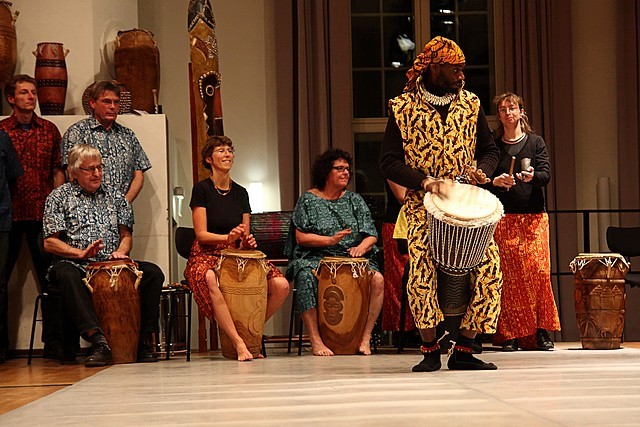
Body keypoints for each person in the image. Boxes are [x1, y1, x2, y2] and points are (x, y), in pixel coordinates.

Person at [380, 36, 502, 371]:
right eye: (455, 68)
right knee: (421, 272)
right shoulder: (402, 109)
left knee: (491, 269)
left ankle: (465, 348)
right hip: (423, 205)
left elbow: (491, 151)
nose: (462, 74)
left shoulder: (471, 105)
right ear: (435, 68)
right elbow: (388, 162)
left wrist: (483, 170)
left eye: (463, 68)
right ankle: (430, 349)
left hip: (465, 200)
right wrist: (425, 181)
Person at [43, 144, 163, 367]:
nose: (97, 173)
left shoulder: (115, 196)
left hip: (111, 264)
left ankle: (144, 341)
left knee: (153, 273)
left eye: (100, 167)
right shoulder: (58, 197)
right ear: (74, 172)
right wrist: (80, 253)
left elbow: (126, 234)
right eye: (89, 169)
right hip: (75, 264)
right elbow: (50, 242)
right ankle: (99, 341)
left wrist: (122, 251)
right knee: (66, 274)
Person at [184, 136, 289, 362]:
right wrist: (226, 238)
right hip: (206, 253)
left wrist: (245, 242)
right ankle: (239, 342)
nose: (228, 154)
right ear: (208, 159)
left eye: (230, 150)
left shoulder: (241, 193)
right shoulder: (201, 190)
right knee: (210, 278)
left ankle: (250, 334)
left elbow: (243, 234)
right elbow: (201, 234)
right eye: (221, 150)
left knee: (280, 285)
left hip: (235, 253)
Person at [287, 148, 384, 356]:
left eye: (347, 169)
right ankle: (315, 339)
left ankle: (364, 338)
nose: (345, 173)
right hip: (317, 257)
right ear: (326, 171)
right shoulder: (308, 200)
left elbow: (372, 235)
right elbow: (301, 237)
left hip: (352, 257)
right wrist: (329, 240)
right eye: (339, 168)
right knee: (304, 276)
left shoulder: (354, 200)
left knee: (378, 280)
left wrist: (361, 247)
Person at [488, 92, 560, 351]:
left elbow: (545, 174)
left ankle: (539, 332)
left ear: (521, 112)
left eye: (512, 108)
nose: (508, 112)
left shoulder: (535, 142)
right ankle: (510, 333)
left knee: (538, 273)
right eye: (503, 109)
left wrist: (532, 177)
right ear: (499, 115)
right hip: (505, 218)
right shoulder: (495, 147)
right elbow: (485, 179)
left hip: (533, 218)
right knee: (509, 277)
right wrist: (497, 182)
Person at [0, 74, 65, 359]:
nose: (31, 97)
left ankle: (55, 344)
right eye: (24, 92)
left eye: (33, 92)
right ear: (11, 98)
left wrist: (58, 205)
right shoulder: (2, 131)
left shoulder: (49, 130)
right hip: (8, 216)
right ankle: (1, 348)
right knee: (1, 283)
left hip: (43, 215)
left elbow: (57, 170)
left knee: (51, 280)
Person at [61, 80, 151, 203]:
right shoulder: (77, 133)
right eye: (107, 101)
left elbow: (139, 174)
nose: (112, 107)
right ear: (93, 103)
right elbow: (70, 173)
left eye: (116, 102)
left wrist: (124, 204)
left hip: (121, 213)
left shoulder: (128, 135)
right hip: (86, 212)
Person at [0, 130, 23, 363]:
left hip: (1, 220)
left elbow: (14, 175)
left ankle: (1, 347)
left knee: (0, 285)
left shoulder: (2, 137)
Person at [381, 181, 413, 336]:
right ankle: (403, 330)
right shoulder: (394, 165)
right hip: (397, 225)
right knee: (398, 277)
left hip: (422, 223)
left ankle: (424, 328)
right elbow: (402, 196)